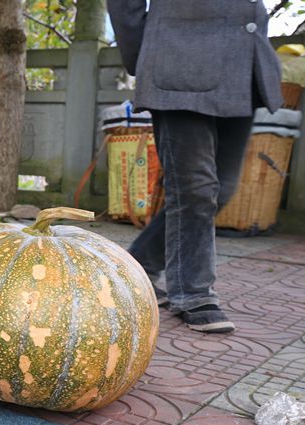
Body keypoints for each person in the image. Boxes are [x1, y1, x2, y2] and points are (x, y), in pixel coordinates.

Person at [108, 0, 283, 333]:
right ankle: (193, 293)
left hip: (241, 67)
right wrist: (142, 54)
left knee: (221, 188)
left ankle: (137, 266)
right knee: (195, 189)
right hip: (179, 63)